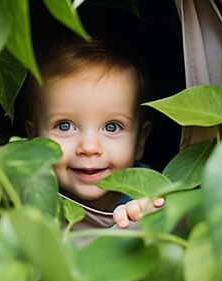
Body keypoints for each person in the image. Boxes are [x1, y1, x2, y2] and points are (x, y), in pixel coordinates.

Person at [22, 36, 164, 229]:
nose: (89, 148)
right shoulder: (26, 192)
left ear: (139, 142)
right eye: (64, 125)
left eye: (112, 126)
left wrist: (148, 212)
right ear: (34, 138)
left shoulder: (148, 188)